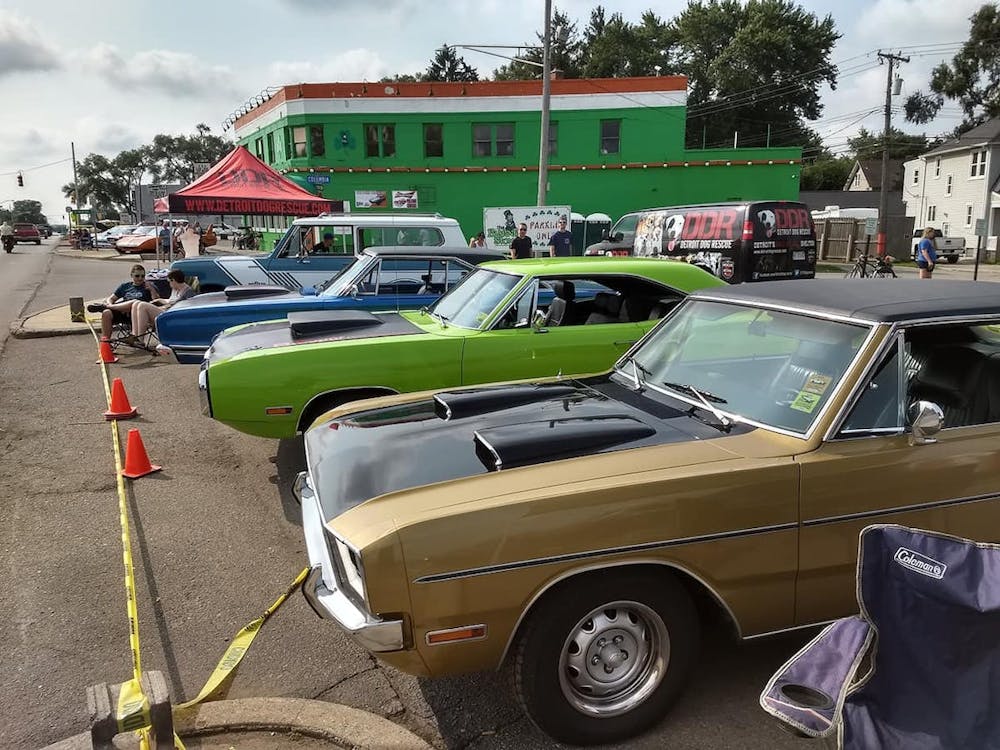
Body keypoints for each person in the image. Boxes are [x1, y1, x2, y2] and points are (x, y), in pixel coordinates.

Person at [88, 264, 160, 340]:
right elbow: (111, 298)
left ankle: (105, 307)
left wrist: (152, 289)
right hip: (122, 312)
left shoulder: (148, 286)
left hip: (138, 314)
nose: (140, 278)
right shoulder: (125, 286)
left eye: (142, 276)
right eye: (137, 276)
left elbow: (156, 301)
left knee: (135, 302)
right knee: (106, 312)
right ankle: (106, 342)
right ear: (131, 275)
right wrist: (110, 303)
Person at [129, 268, 194, 345]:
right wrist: (159, 300)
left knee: (142, 305)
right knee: (136, 304)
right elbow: (170, 301)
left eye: (169, 281)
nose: (169, 284)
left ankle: (140, 339)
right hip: (167, 310)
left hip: (173, 316)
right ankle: (135, 335)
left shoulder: (187, 291)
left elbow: (185, 307)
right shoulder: (175, 289)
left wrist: (163, 307)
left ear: (173, 280)